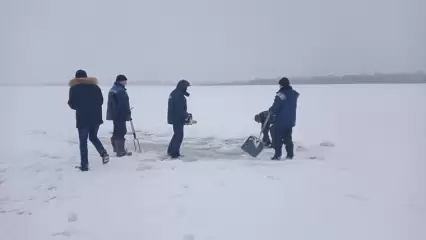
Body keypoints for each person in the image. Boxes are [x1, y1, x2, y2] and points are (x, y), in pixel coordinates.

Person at [68, 69, 109, 171]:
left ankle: (84, 165)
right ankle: (104, 153)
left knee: (83, 142)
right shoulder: (95, 87)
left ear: (76, 78)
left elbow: (72, 104)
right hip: (96, 118)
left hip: (83, 119)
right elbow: (101, 101)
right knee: (93, 137)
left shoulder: (74, 88)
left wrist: (80, 106)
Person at [269, 77, 299, 160]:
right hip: (290, 120)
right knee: (288, 138)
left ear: (281, 85)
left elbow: (276, 107)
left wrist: (271, 110)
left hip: (280, 120)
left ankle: (277, 155)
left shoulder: (281, 95)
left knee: (277, 138)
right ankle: (290, 155)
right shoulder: (293, 94)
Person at [106, 74, 133, 157]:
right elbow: (123, 104)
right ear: (120, 81)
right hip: (120, 114)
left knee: (116, 131)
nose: (126, 83)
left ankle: (116, 148)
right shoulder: (120, 90)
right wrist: (127, 114)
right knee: (121, 132)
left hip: (114, 114)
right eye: (124, 81)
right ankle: (120, 151)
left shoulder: (113, 89)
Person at [167, 79, 191, 159]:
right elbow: (179, 110)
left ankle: (171, 150)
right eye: (186, 87)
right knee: (179, 136)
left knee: (176, 135)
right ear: (183, 87)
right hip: (177, 118)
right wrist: (187, 115)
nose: (187, 88)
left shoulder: (176, 93)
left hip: (175, 118)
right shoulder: (178, 95)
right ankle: (174, 153)